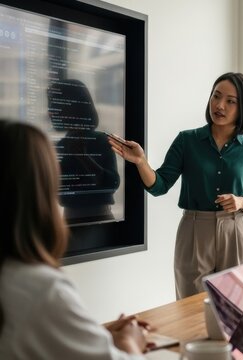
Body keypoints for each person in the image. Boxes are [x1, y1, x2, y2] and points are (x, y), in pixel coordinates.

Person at [109, 72, 243, 299]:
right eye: (216, 96)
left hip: (236, 231)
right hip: (194, 230)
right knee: (191, 308)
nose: (220, 105)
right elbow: (159, 186)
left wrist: (242, 202)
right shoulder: (186, 140)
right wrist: (141, 162)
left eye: (231, 101)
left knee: (238, 310)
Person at [0, 120, 150, 359]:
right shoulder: (43, 289)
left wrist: (94, 336)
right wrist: (131, 342)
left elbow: (112, 183)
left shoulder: (101, 141)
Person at [48, 79, 120, 224]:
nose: (50, 112)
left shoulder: (100, 140)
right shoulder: (61, 145)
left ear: (75, 106)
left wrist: (84, 157)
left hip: (100, 222)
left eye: (55, 105)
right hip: (69, 222)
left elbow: (112, 183)